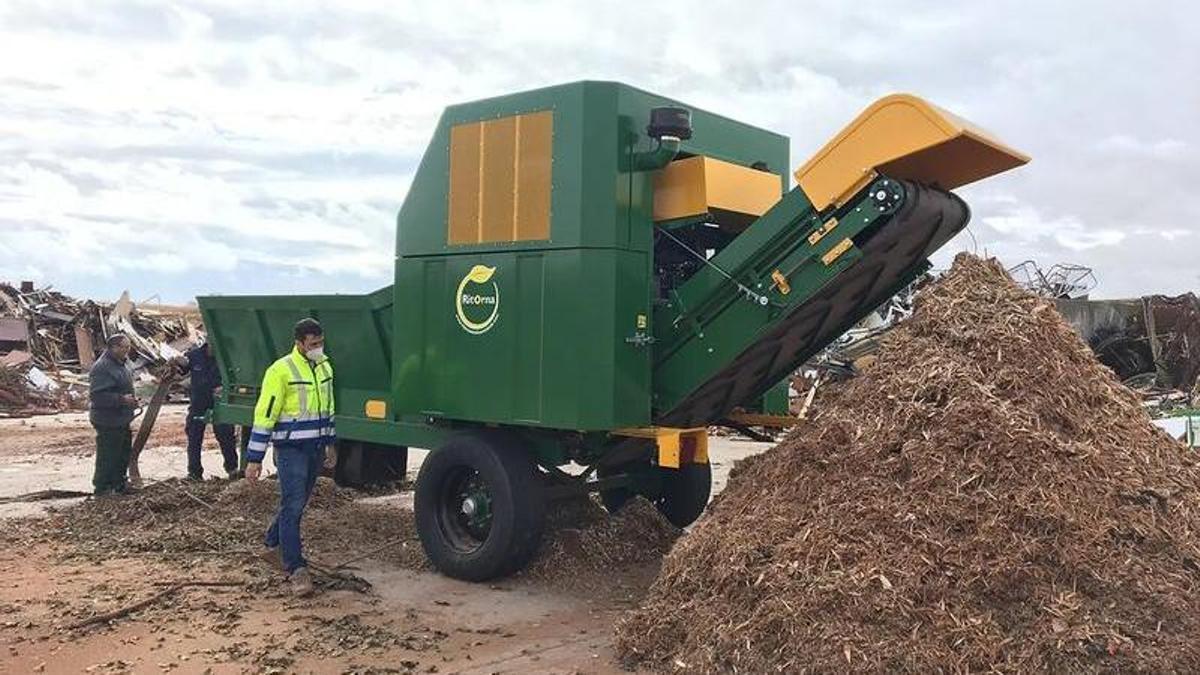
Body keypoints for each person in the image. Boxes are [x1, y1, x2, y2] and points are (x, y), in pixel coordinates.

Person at [245, 318, 337, 597]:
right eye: (313, 344)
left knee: (297, 503)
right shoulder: (281, 370)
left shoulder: (324, 367)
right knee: (293, 505)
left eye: (321, 343)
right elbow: (265, 415)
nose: (318, 348)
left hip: (315, 447)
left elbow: (329, 408)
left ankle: (272, 541)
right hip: (291, 450)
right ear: (299, 342)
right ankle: (296, 568)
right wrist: (254, 458)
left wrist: (331, 444)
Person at [176, 342, 238, 480]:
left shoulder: (226, 356)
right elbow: (182, 371)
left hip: (220, 403)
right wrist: (178, 363)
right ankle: (194, 472)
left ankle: (232, 468)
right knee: (194, 437)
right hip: (198, 403)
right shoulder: (194, 355)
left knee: (226, 436)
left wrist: (225, 387)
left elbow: (236, 376)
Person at [89, 334, 137, 495]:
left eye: (129, 347)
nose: (128, 350)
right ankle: (102, 487)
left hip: (121, 418)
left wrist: (131, 400)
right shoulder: (102, 367)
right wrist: (122, 399)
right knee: (108, 454)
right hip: (107, 419)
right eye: (125, 347)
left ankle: (119, 483)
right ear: (114, 348)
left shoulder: (122, 364)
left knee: (123, 453)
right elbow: (97, 396)